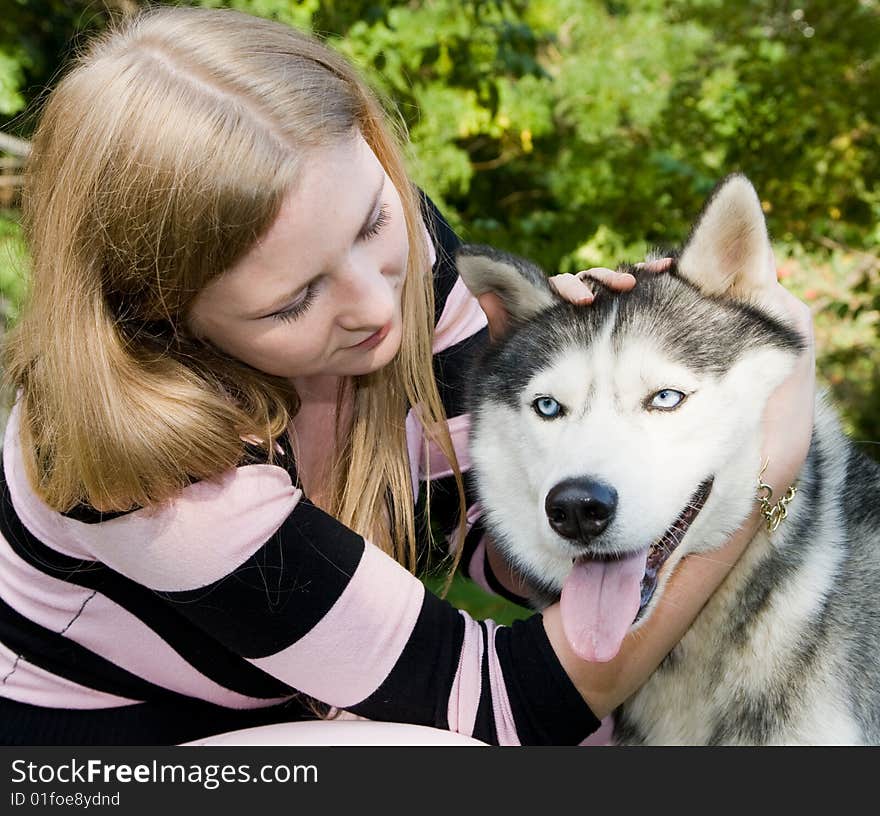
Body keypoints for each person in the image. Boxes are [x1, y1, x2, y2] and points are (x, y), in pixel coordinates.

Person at [0, 5, 814, 746]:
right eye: (296, 300)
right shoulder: (145, 462)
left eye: (373, 221)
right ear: (167, 315)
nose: (375, 305)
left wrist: (574, 406)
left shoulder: (404, 261)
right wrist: (766, 468)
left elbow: (492, 542)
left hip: (305, 709)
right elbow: (506, 704)